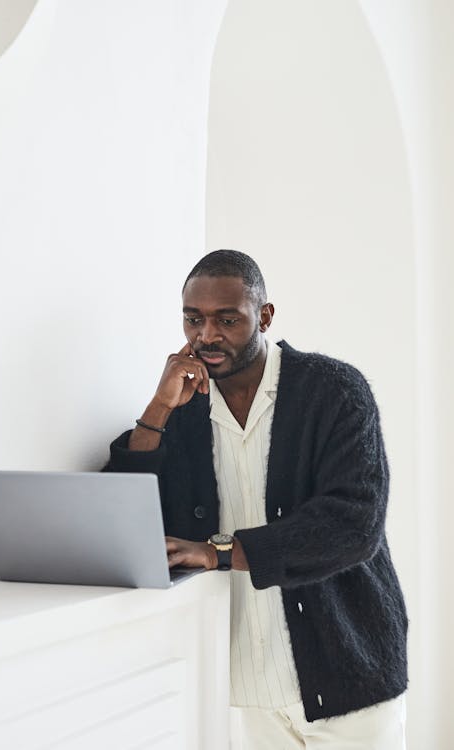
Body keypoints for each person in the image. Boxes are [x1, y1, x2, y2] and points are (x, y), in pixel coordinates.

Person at [103, 249, 408, 749]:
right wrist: (157, 408)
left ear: (265, 315)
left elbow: (355, 524)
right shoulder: (182, 410)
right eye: (193, 319)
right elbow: (122, 511)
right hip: (244, 688)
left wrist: (222, 552)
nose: (206, 336)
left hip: (348, 675)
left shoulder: (334, 391)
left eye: (227, 319)